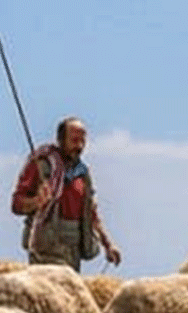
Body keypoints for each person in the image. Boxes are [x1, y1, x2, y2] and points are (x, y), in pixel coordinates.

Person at [10, 116, 122, 270]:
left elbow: (92, 214)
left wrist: (109, 245)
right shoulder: (41, 165)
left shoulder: (82, 174)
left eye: (83, 141)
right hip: (45, 250)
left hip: (72, 252)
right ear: (60, 140)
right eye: (74, 140)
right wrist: (36, 202)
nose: (80, 146)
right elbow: (16, 204)